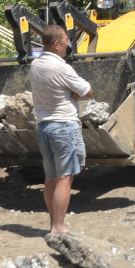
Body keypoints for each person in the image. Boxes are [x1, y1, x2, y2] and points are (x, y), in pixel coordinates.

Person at [30, 25, 93, 234]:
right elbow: (88, 91)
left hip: (44, 126)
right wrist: (74, 94)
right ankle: (59, 227)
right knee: (66, 178)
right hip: (64, 127)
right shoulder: (62, 68)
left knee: (51, 178)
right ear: (57, 44)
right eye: (66, 40)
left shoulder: (35, 65)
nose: (68, 44)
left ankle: (53, 224)